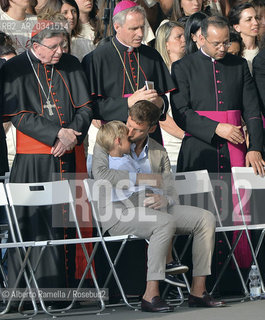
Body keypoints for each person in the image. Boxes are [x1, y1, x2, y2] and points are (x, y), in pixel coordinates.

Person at [92, 100, 225, 312]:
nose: (131, 131)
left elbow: (170, 189)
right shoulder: (109, 138)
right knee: (163, 222)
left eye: (138, 129)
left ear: (152, 128)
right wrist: (143, 179)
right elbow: (100, 174)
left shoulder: (159, 151)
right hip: (119, 210)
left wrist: (166, 199)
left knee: (205, 218)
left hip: (155, 205)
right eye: (130, 124)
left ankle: (198, 291)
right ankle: (150, 294)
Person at [0, 19, 93, 295]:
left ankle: (71, 291)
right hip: (33, 163)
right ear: (34, 45)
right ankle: (31, 295)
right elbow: (18, 115)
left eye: (62, 45)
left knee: (69, 225)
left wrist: (71, 135)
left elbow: (86, 108)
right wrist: (56, 134)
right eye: (53, 47)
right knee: (34, 227)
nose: (59, 53)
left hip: (69, 156)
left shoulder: (71, 64)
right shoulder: (14, 69)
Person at [170, 15, 265, 271]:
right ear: (201, 38)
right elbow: (181, 112)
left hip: (236, 148)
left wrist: (255, 146)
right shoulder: (183, 67)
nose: (222, 48)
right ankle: (203, 280)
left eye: (225, 43)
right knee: (202, 211)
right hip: (201, 147)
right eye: (216, 44)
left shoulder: (239, 65)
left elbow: (253, 110)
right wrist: (216, 128)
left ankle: (238, 274)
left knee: (240, 212)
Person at [82, 0, 176, 145]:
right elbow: (91, 107)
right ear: (117, 26)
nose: (140, 34)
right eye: (133, 28)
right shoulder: (96, 59)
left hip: (149, 137)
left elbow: (164, 98)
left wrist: (160, 102)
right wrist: (128, 102)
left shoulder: (152, 55)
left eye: (142, 27)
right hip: (115, 138)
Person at [155, 21, 185, 171]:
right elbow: (162, 117)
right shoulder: (161, 75)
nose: (184, 40)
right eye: (178, 37)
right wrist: (185, 136)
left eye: (184, 36)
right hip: (171, 149)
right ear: (166, 44)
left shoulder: (190, 71)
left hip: (191, 146)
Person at [229, 2, 259, 74]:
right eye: (249, 19)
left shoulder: (262, 49)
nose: (256, 23)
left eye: (256, 18)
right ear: (237, 27)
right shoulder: (232, 51)